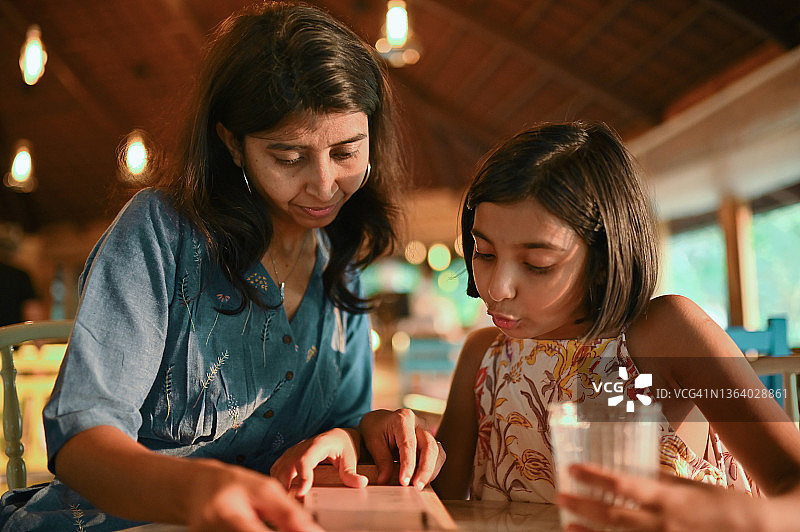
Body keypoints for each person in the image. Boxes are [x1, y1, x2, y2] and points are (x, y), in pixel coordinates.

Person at [0, 3, 439, 531]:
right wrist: (197, 489)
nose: (325, 186)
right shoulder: (163, 232)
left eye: (346, 152)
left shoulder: (337, 269)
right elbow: (81, 438)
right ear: (232, 143)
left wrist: (362, 433)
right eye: (289, 157)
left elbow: (338, 436)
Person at [431, 121, 800, 529]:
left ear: (604, 263)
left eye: (538, 264)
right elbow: (436, 503)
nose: (497, 288)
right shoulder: (485, 358)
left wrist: (740, 517)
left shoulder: (663, 334)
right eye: (483, 253)